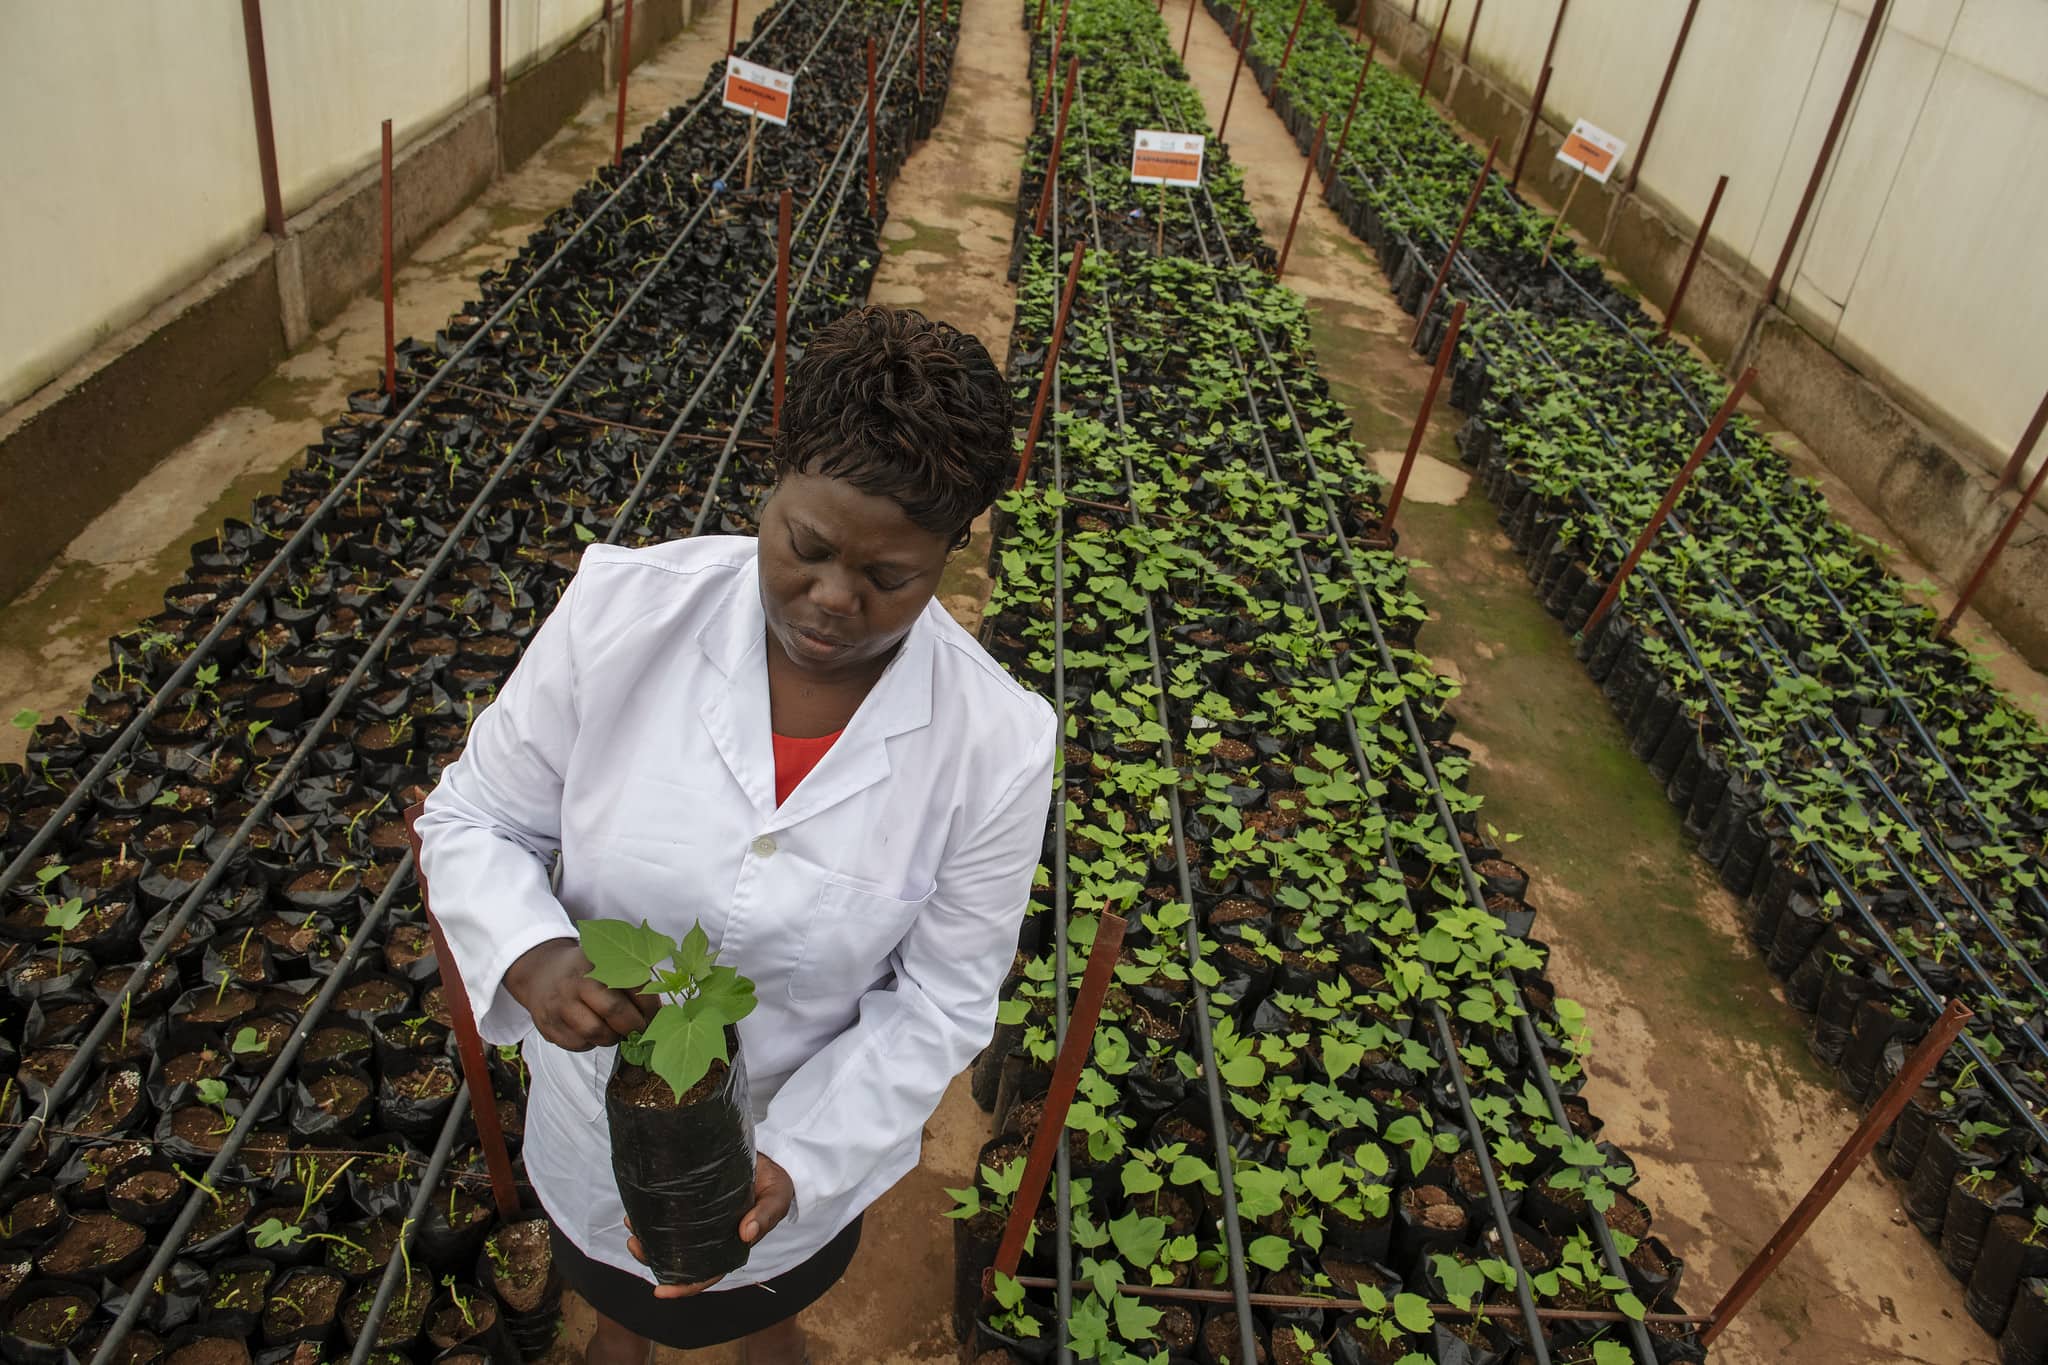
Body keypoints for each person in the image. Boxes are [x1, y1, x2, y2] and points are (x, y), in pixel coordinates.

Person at [415, 306, 1056, 1365]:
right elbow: (476, 814)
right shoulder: (623, 612)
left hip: (796, 1147)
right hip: (593, 1123)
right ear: (773, 486)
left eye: (891, 577)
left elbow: (942, 998)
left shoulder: (995, 744)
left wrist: (798, 1161)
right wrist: (531, 953)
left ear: (952, 549)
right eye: (806, 548)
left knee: (764, 1312)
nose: (833, 600)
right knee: (614, 1300)